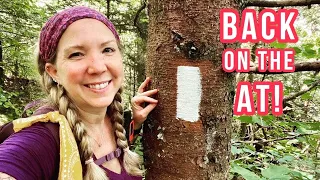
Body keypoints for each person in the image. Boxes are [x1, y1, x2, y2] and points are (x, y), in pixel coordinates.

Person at [0, 6, 158, 180]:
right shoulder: (43, 139)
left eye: (107, 50)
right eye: (76, 54)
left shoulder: (113, 121)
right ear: (54, 72)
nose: (98, 67)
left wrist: (135, 122)